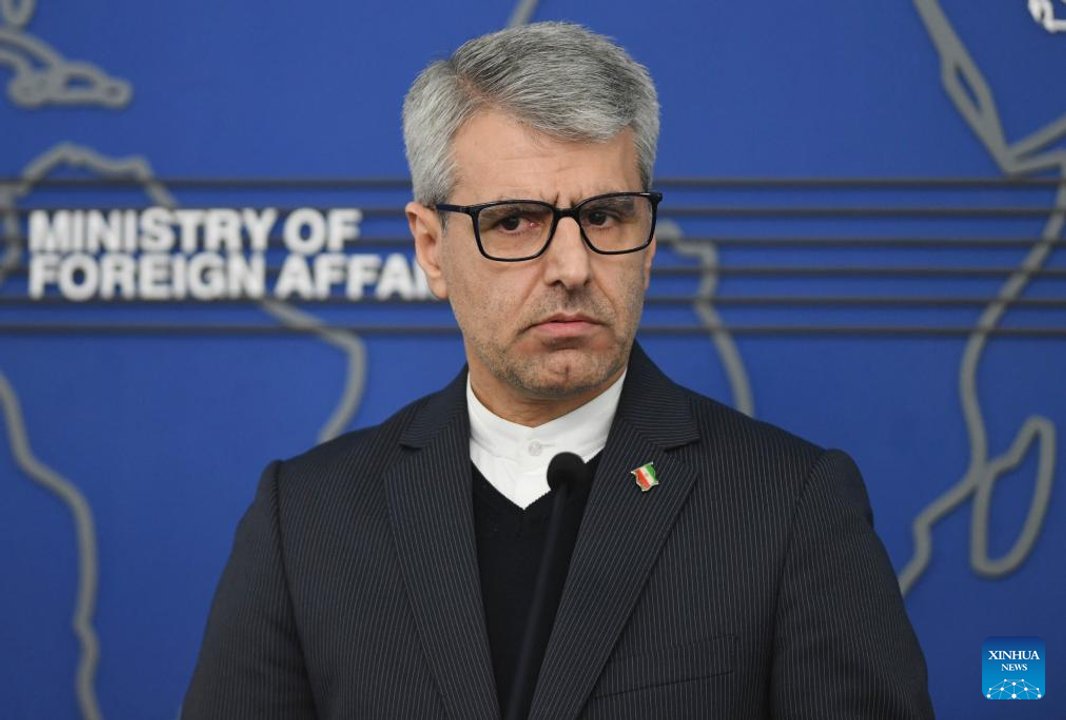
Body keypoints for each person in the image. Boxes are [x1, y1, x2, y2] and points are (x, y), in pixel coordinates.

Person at [183, 21, 934, 719]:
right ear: (431, 248)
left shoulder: (789, 509)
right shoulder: (305, 521)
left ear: (649, 238)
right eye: (514, 221)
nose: (572, 266)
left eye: (605, 216)